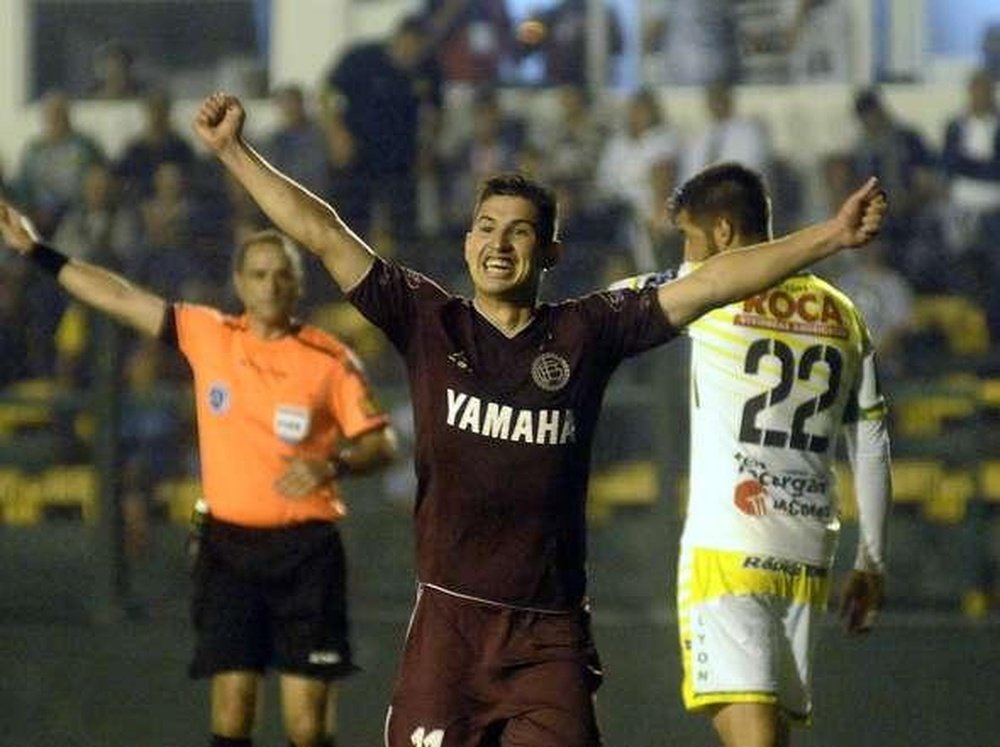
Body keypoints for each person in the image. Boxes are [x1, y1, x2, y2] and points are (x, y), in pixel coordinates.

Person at [192, 91, 887, 747]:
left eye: (520, 232)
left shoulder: (588, 332)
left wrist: (829, 235)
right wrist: (232, 151)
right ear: (467, 243)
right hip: (447, 629)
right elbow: (322, 232)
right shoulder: (428, 320)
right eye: (487, 228)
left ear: (549, 252)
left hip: (546, 639)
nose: (500, 244)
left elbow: (711, 281)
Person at [0, 203, 399, 747]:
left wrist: (334, 463)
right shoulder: (208, 334)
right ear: (239, 282)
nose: (270, 284)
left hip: (307, 553)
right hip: (228, 550)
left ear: (298, 285)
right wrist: (36, 251)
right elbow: (119, 296)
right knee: (233, 711)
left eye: (283, 274)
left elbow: (383, 443)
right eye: (258, 273)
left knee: (307, 724)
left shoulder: (330, 360)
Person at [611, 162, 891, 747]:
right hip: (809, 554)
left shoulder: (706, 299)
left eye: (689, 236)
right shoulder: (844, 314)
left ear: (721, 233)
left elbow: (608, 306)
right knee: (772, 732)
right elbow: (870, 439)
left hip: (727, 549)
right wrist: (872, 559)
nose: (685, 252)